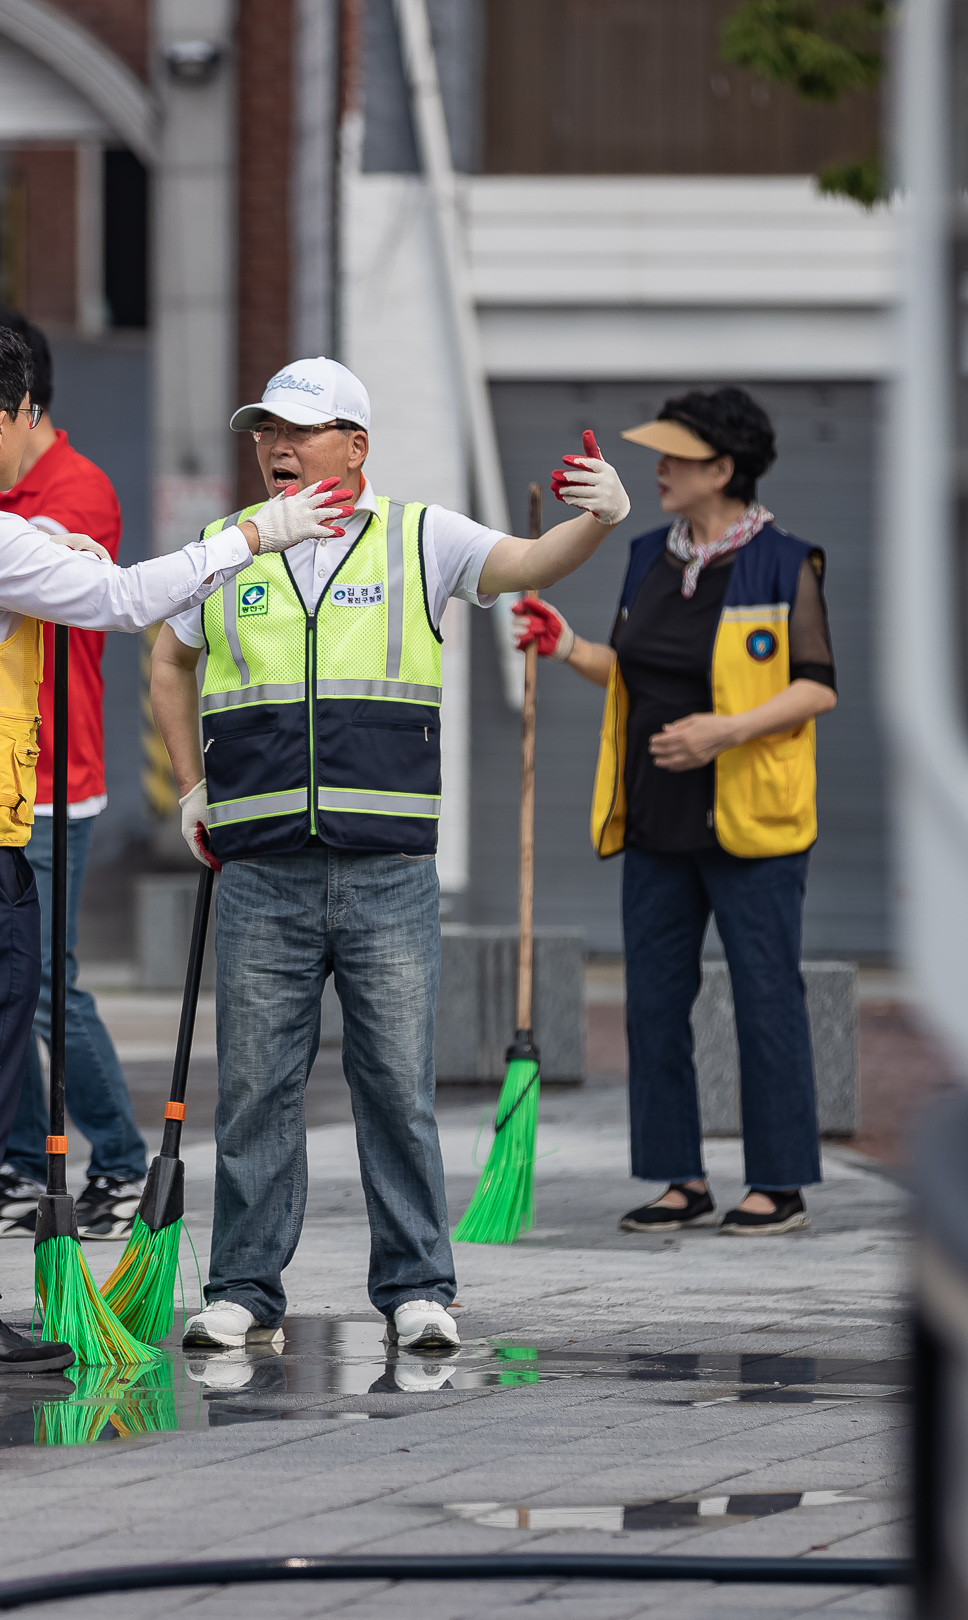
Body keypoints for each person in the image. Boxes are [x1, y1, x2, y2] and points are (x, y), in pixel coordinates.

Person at [0, 319, 350, 1374]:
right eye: (26, 419)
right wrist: (258, 532)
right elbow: (121, 601)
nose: (31, 437)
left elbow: (31, 586)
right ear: (0, 422)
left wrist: (55, 549)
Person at [149, 357, 632, 1353]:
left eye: (299, 429)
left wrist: (600, 521)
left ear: (354, 445)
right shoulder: (226, 546)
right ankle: (242, 1285)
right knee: (253, 1087)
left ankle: (418, 1286)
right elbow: (166, 659)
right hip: (261, 870)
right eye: (263, 430)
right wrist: (191, 787)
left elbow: (529, 564)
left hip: (389, 873)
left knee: (395, 1087)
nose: (275, 446)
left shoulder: (421, 536)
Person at [512, 389, 835, 1238]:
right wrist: (566, 644)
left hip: (751, 824)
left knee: (767, 996)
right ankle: (679, 1178)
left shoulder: (786, 563)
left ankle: (779, 1183)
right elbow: (635, 672)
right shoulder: (650, 554)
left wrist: (725, 731)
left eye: (675, 458)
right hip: (654, 816)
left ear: (723, 469)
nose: (657, 470)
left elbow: (815, 686)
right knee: (654, 1002)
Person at [0, 309, 148, 1242]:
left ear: (21, 406)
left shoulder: (74, 490)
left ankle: (119, 1161)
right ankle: (30, 1164)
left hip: (51, 779)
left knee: (44, 985)